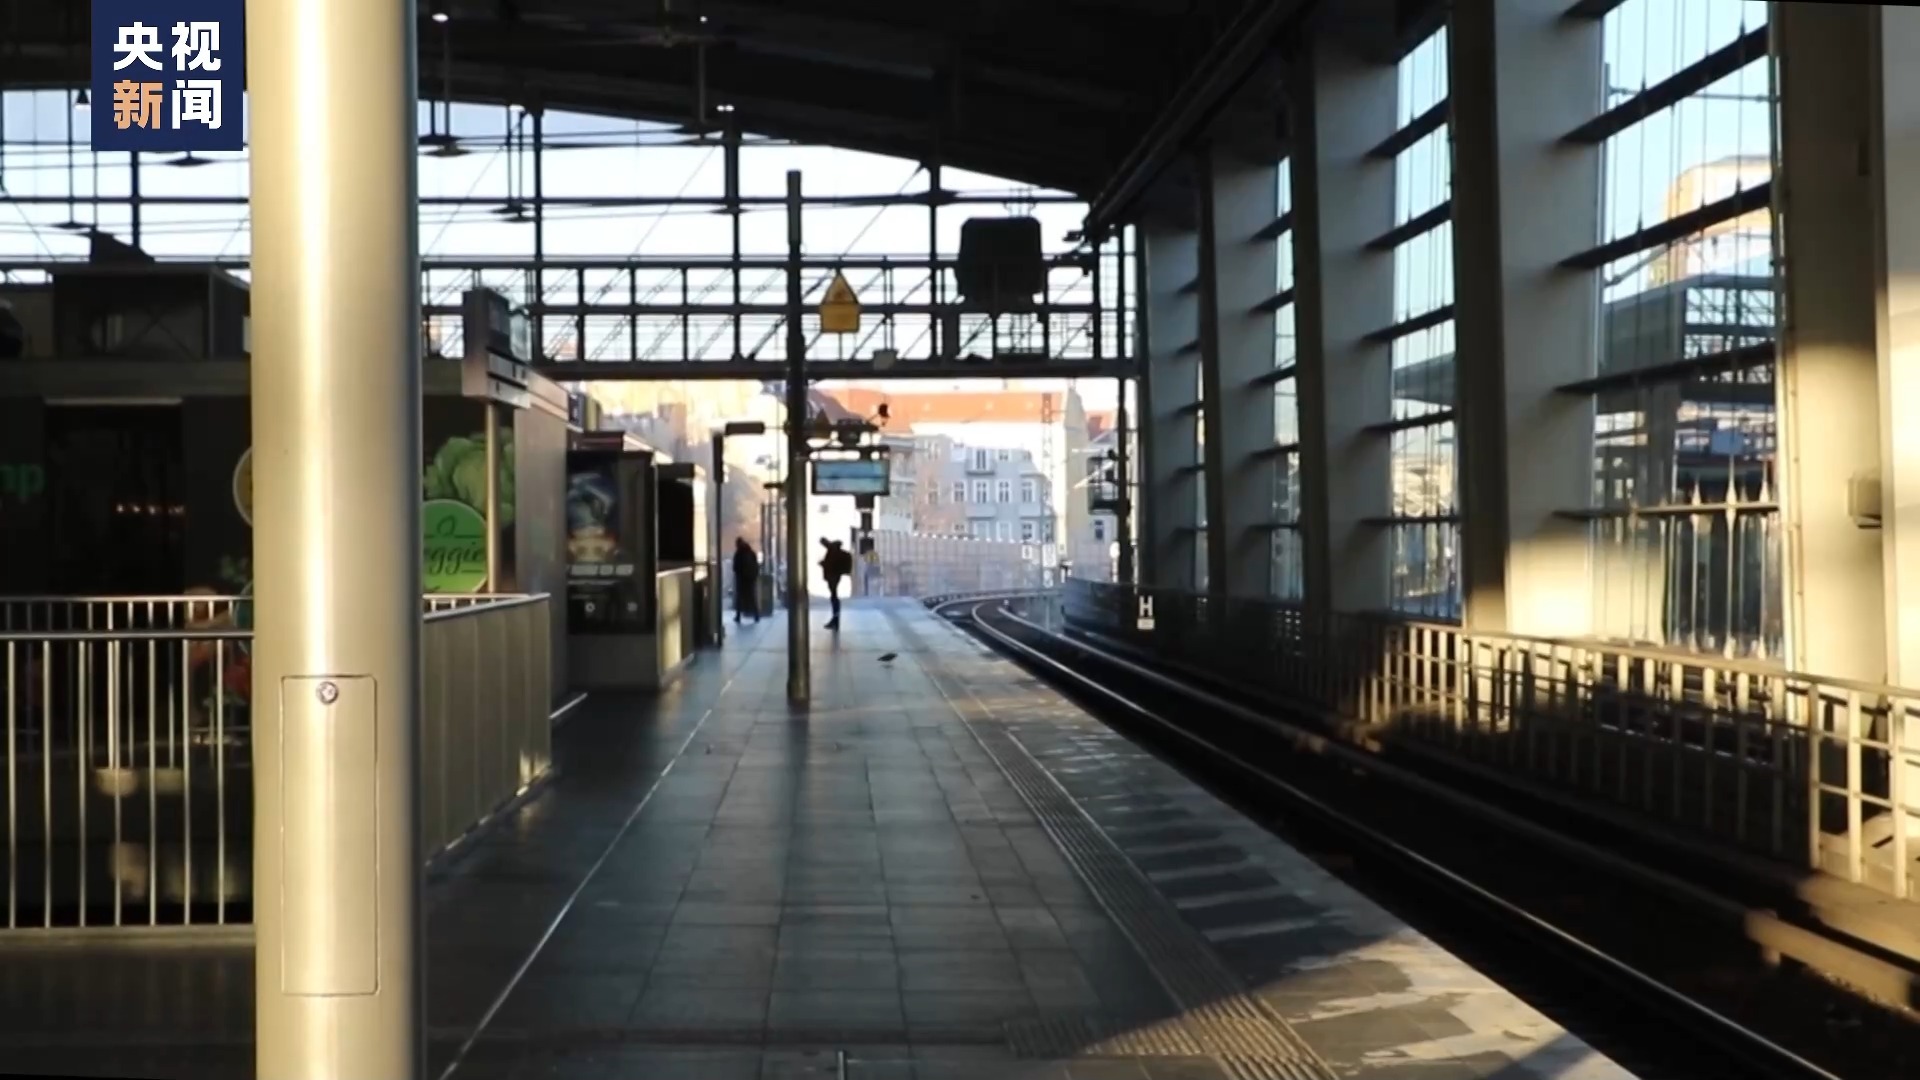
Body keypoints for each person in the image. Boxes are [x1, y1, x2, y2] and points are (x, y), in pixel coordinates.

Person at [820, 538, 854, 630]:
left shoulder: (832, 552)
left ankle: (835, 618)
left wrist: (823, 564)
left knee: (834, 597)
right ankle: (835, 619)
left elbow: (831, 564)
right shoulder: (836, 551)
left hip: (833, 577)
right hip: (835, 576)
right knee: (834, 596)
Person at [731, 537, 761, 623]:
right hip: (750, 579)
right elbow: (756, 565)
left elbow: (735, 567)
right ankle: (756, 615)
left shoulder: (738, 554)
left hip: (741, 579)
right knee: (752, 597)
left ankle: (738, 616)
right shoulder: (751, 552)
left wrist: (738, 574)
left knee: (739, 598)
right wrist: (754, 576)